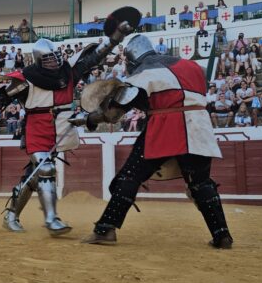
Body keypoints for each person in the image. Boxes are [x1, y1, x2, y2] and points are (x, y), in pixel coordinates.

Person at [0, 9, 139, 235]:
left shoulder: (69, 72)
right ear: (39, 60)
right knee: (45, 169)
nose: (54, 62)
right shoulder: (27, 77)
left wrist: (115, 38)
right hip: (36, 128)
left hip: (59, 128)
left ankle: (11, 215)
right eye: (48, 59)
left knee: (33, 177)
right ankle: (52, 219)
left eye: (55, 57)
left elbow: (95, 57)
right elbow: (3, 98)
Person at [78, 34, 233, 248]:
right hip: (199, 125)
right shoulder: (189, 65)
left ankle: (106, 229)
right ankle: (222, 235)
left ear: (131, 59)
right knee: (201, 183)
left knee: (130, 176)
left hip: (166, 126)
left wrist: (88, 118)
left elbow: (114, 114)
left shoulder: (143, 72)